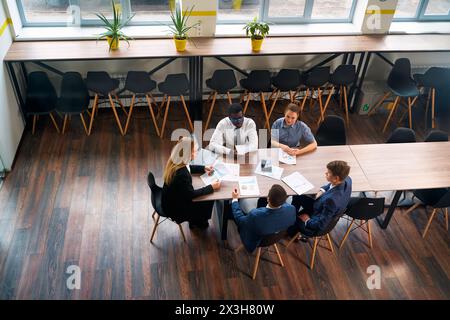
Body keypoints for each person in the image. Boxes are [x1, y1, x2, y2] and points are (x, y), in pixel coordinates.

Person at [162, 137, 221, 229]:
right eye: (194, 151)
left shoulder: (177, 161)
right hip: (175, 208)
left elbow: (189, 167)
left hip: (169, 199)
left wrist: (203, 168)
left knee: (204, 192)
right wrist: (211, 187)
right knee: (209, 198)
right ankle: (199, 222)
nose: (196, 153)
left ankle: (196, 220)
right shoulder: (181, 174)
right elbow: (191, 195)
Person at [288, 160, 352, 238]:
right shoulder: (347, 179)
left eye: (328, 173)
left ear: (336, 178)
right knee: (298, 196)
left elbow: (321, 224)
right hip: (321, 206)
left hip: (315, 221)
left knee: (296, 217)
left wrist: (307, 221)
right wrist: (323, 190)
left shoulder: (332, 200)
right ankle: (291, 221)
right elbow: (331, 185)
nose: (325, 173)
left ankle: (291, 229)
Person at [231, 184, 296, 253]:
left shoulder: (255, 215)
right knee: (261, 201)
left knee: (237, 216)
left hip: (257, 241)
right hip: (276, 237)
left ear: (268, 198)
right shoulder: (291, 209)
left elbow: (239, 219)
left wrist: (235, 199)